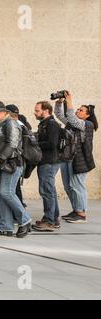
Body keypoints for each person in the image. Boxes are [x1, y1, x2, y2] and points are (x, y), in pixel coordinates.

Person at [0, 101, 32, 238]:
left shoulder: (11, 123)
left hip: (12, 163)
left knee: (6, 192)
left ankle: (25, 220)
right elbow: (1, 142)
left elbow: (12, 143)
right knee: (1, 192)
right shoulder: (1, 124)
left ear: (0, 113)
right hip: (4, 164)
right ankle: (5, 226)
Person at [55, 92, 98, 223]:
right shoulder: (72, 123)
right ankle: (76, 210)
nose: (78, 111)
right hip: (67, 157)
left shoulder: (86, 125)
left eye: (81, 110)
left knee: (77, 186)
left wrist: (69, 101)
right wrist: (59, 102)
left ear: (87, 115)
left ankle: (81, 213)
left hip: (80, 160)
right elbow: (59, 115)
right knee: (69, 186)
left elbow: (72, 118)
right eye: (78, 109)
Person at [32, 101, 62, 231]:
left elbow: (52, 144)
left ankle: (50, 221)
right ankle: (52, 218)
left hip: (49, 162)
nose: (35, 112)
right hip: (46, 161)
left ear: (46, 111)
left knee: (47, 191)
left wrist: (35, 143)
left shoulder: (52, 124)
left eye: (37, 110)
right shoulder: (45, 124)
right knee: (50, 191)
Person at [5, 104, 28, 208]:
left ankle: (20, 216)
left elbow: (13, 144)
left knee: (11, 191)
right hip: (20, 159)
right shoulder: (22, 123)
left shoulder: (14, 125)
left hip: (15, 160)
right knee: (14, 188)